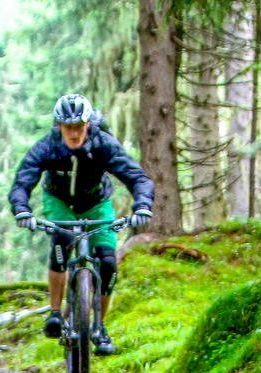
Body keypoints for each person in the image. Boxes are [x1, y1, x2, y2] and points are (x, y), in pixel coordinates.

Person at [8, 93, 155, 356]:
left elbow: (136, 177)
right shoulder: (48, 147)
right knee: (61, 243)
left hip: (97, 203)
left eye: (79, 127)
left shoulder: (102, 144)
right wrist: (22, 209)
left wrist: (142, 205)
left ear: (88, 124)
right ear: (59, 126)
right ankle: (55, 313)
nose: (74, 134)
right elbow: (23, 179)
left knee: (108, 263)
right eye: (68, 128)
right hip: (59, 201)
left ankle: (99, 327)